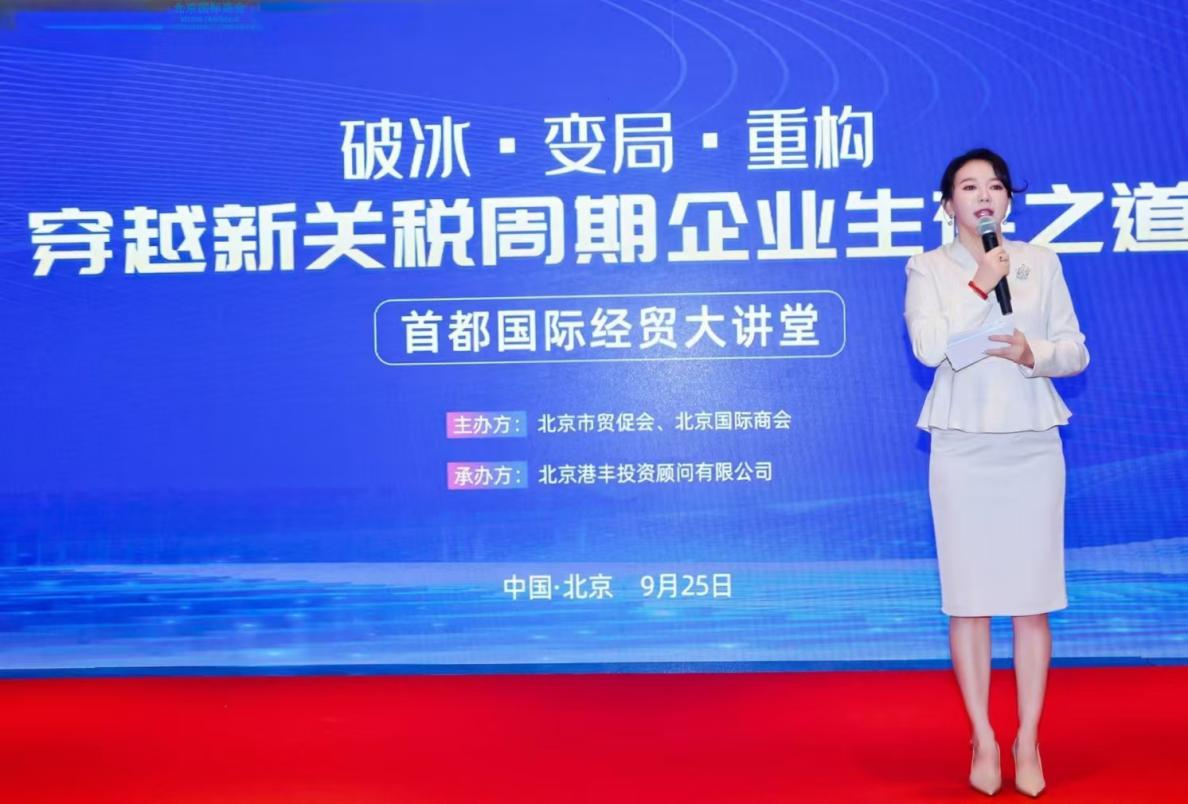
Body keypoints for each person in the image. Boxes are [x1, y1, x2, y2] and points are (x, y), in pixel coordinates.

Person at [903, 148, 1089, 797]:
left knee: (1031, 603)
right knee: (971, 601)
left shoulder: (1041, 261)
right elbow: (930, 349)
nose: (984, 196)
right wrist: (981, 283)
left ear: (1008, 200)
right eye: (969, 186)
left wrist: (1035, 353)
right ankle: (983, 735)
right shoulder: (927, 268)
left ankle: (1027, 737)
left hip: (1032, 443)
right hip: (962, 446)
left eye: (995, 186)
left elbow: (1075, 349)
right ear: (948, 203)